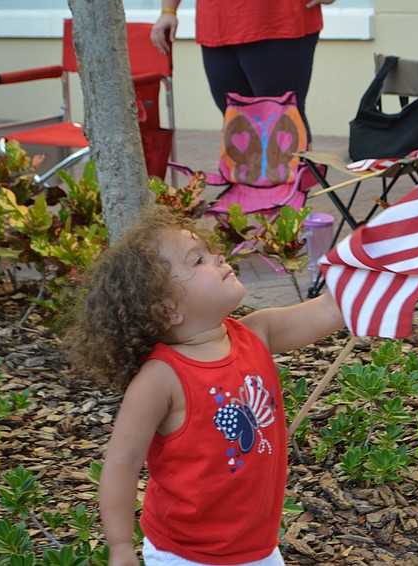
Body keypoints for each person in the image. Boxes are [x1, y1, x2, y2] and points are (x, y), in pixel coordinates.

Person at [64, 205, 345, 566]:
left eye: (209, 251)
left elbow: (331, 310)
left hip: (258, 546)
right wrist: (119, 545)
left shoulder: (258, 333)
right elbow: (123, 460)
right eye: (197, 261)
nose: (217, 256)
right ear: (168, 310)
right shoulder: (161, 378)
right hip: (185, 554)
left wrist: (384, 270)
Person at [150, 0, 336, 142]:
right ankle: (249, 190)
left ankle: (288, 191)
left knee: (282, 119)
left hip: (277, 20)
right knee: (236, 119)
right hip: (218, 23)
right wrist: (168, 10)